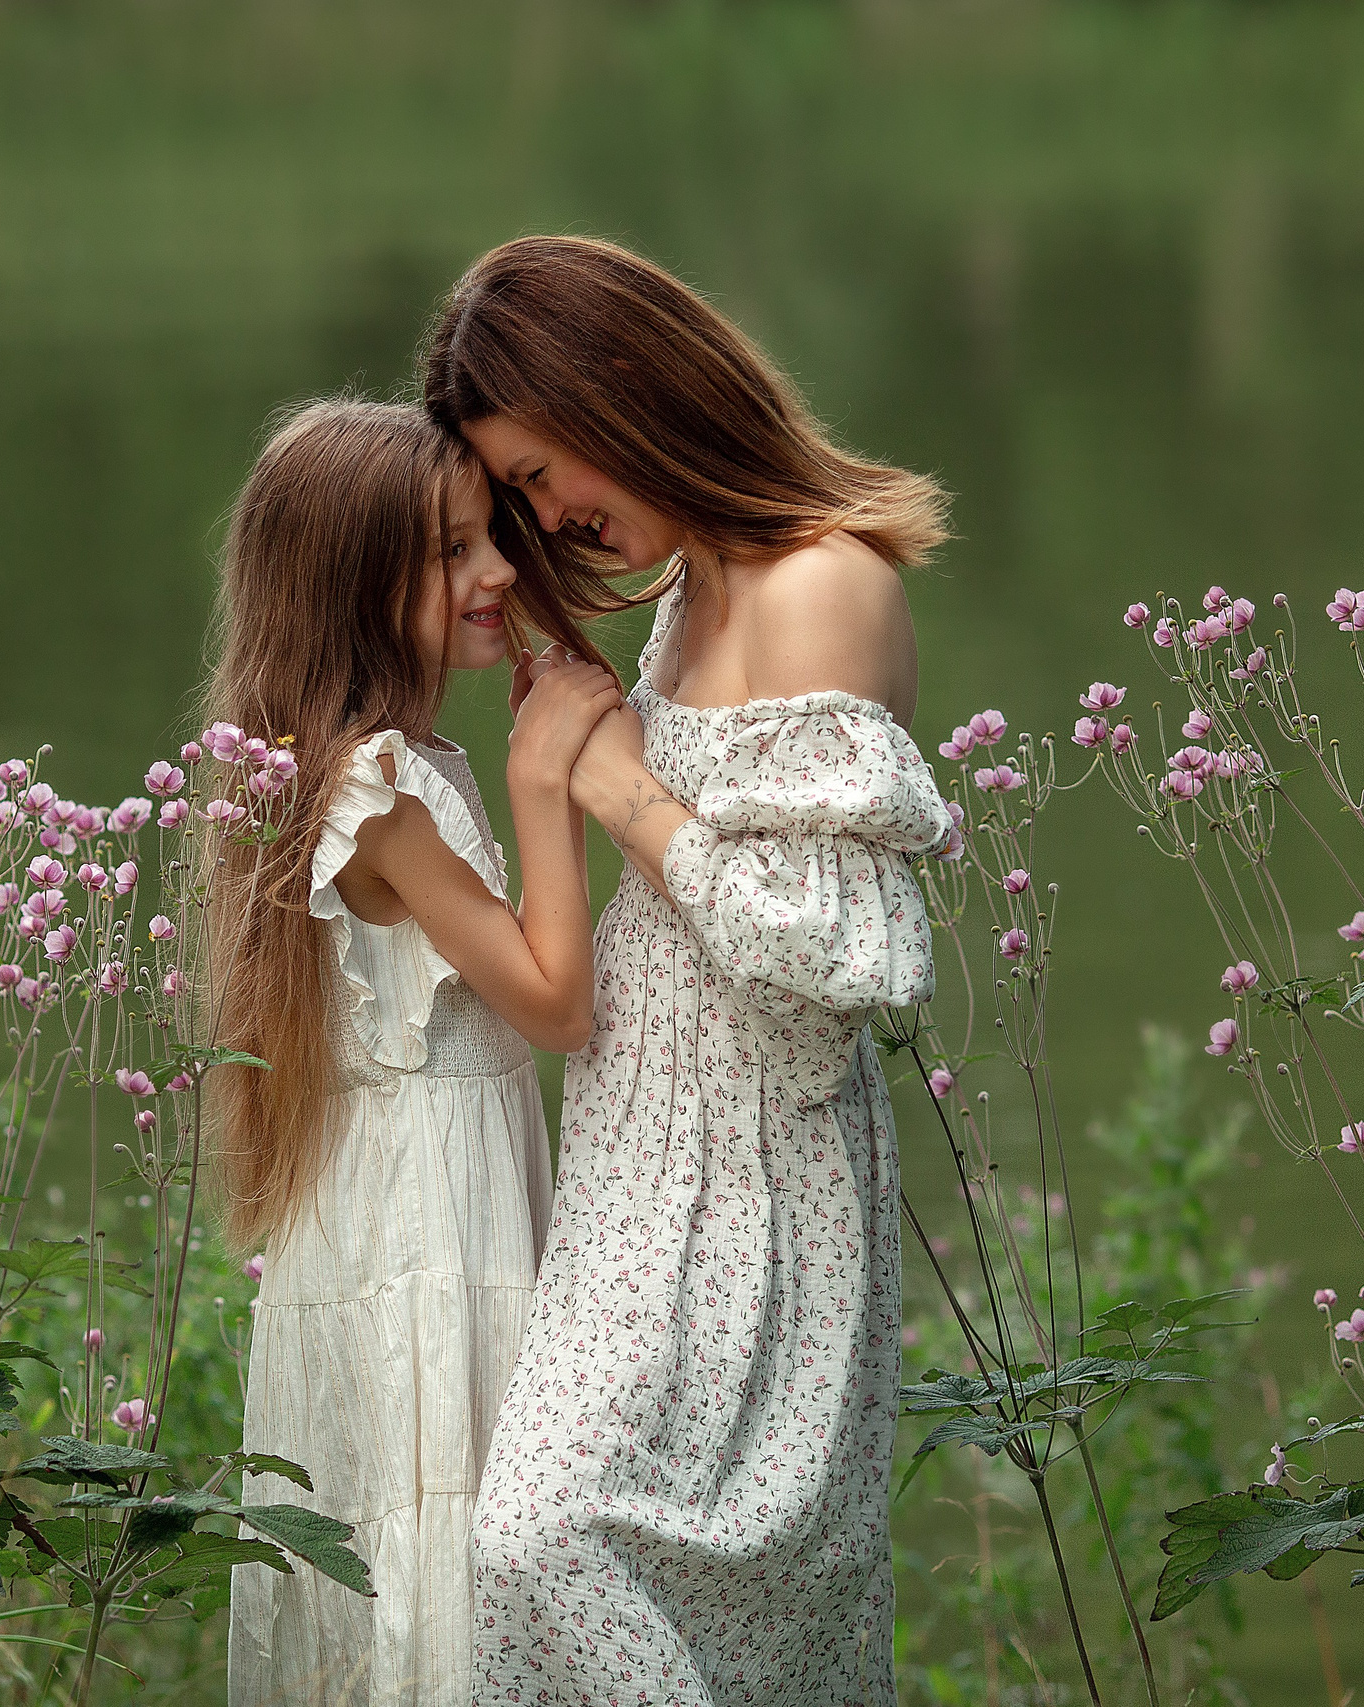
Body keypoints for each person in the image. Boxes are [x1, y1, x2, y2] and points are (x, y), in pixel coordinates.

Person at [423, 236, 956, 1704]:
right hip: (634, 1170)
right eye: (519, 497)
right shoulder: (687, 602)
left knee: (543, 1540)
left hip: (756, 1194)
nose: (550, 517)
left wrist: (620, 793)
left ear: (627, 390)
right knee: (570, 1572)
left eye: (540, 473)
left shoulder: (817, 590)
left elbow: (838, 974)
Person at [208, 398, 624, 1705]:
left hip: (403, 1204)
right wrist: (543, 779)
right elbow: (558, 1004)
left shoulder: (352, 765)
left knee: (423, 1543)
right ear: (349, 588)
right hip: (429, 1232)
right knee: (440, 1546)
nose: (498, 569)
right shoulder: (384, 792)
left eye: (488, 535)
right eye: (451, 552)